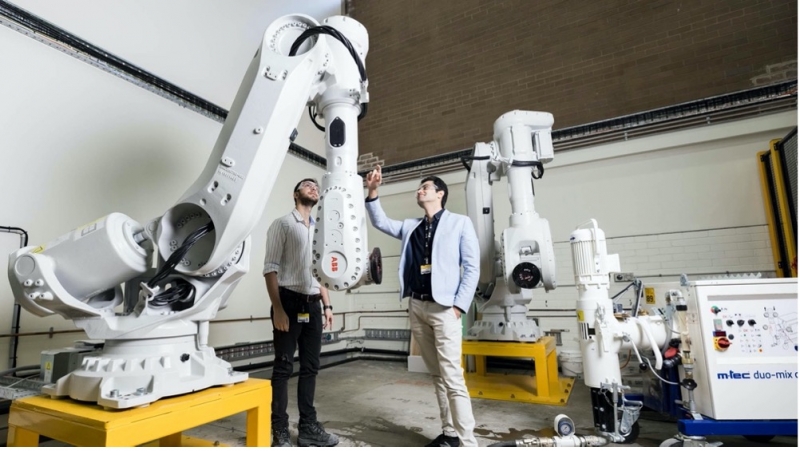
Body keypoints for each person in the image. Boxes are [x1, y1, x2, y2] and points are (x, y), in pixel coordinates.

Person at [364, 165, 480, 447]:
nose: (420, 190)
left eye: (425, 187)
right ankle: (449, 433)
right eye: (419, 188)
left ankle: (468, 442)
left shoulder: (460, 223)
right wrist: (373, 191)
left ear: (439, 193)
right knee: (438, 375)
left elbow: (472, 268)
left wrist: (458, 307)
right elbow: (380, 222)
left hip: (445, 310)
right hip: (417, 306)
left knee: (453, 377)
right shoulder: (410, 226)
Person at [264, 178, 338, 447]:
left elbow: (321, 274)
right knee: (283, 368)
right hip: (289, 302)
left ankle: (307, 428)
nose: (314, 188)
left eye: (316, 186)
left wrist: (327, 305)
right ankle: (280, 430)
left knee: (311, 367)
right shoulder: (282, 224)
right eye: (308, 185)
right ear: (296, 193)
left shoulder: (320, 232)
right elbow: (270, 268)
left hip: (314, 304)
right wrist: (278, 309)